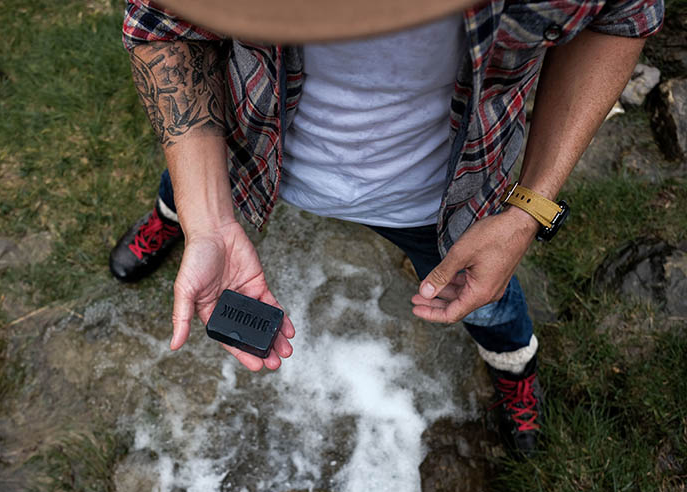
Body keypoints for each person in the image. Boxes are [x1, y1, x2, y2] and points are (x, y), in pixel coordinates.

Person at [109, 0, 664, 456]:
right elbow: (161, 21)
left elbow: (623, 16)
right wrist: (208, 217)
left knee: (490, 306)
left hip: (439, 199)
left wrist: (529, 210)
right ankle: (179, 219)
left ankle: (514, 367)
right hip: (247, 147)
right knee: (183, 193)